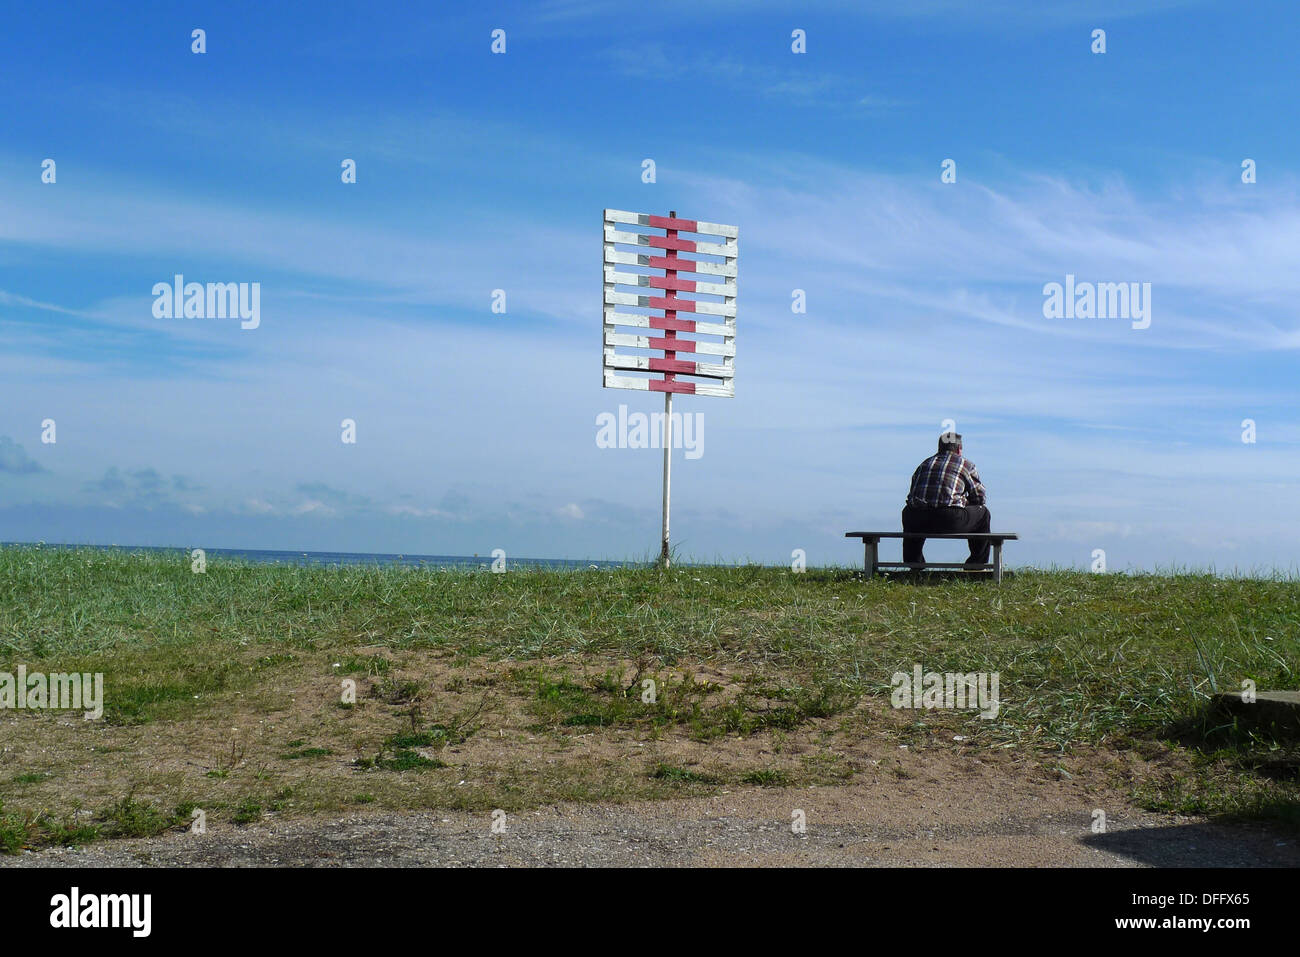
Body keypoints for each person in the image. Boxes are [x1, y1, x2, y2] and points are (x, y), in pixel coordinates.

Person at [902, 432, 990, 567]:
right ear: (959, 449)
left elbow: (913, 495)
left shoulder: (924, 464)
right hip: (949, 519)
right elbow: (979, 498)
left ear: (939, 447)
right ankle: (976, 565)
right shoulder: (965, 465)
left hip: (918, 520)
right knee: (983, 513)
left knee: (909, 511)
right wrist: (964, 501)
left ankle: (914, 563)